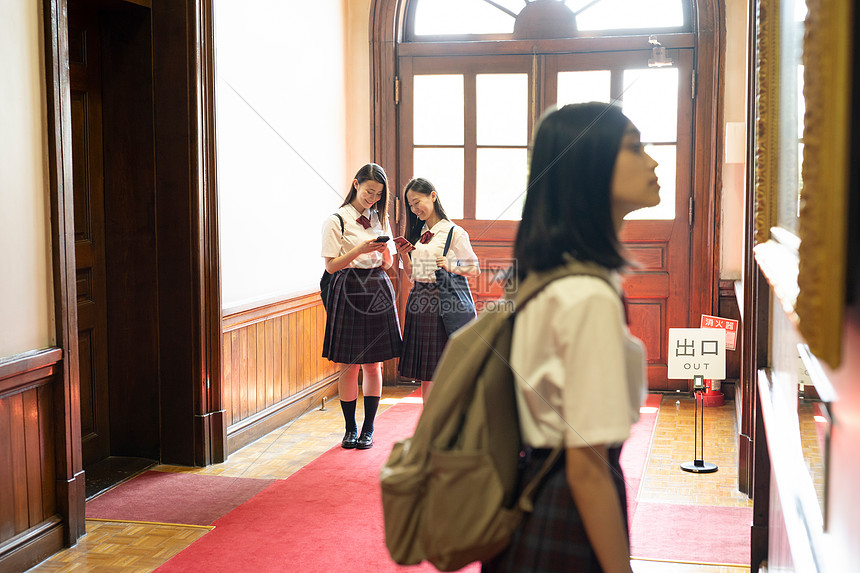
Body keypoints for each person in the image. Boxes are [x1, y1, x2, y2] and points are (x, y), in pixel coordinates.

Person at [483, 103, 656, 573]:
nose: (653, 162)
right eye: (635, 148)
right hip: (565, 517)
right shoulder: (587, 295)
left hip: (534, 503)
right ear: (589, 164)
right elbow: (587, 466)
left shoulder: (552, 273)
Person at [321, 163, 402, 450]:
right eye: (370, 191)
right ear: (356, 185)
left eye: (379, 194)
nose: (373, 198)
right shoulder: (336, 221)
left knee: (373, 364)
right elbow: (331, 267)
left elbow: (389, 264)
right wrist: (359, 249)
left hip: (377, 286)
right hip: (349, 288)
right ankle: (349, 428)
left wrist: (382, 251)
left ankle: (368, 429)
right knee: (349, 365)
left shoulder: (381, 218)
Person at [394, 177, 479, 400]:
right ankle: (428, 426)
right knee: (426, 371)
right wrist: (403, 253)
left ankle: (448, 423)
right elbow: (412, 274)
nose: (414, 209)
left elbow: (475, 268)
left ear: (433, 196)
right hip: (419, 300)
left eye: (417, 202)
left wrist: (452, 266)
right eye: (410, 205)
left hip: (444, 301)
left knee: (445, 367)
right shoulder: (418, 233)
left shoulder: (454, 232)